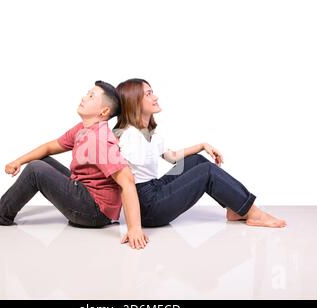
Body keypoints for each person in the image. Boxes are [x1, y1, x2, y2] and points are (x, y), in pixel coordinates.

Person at [0, 80, 149, 250]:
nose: (84, 97)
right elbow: (50, 147)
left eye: (91, 96)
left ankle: (1, 215)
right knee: (42, 160)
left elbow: (127, 180)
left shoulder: (99, 139)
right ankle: (2, 208)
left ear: (104, 111)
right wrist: (18, 161)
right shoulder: (83, 128)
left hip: (96, 212)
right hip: (85, 192)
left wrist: (134, 229)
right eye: (87, 93)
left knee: (36, 169)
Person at [113, 78, 286, 228]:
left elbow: (172, 157)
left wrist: (202, 145)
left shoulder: (147, 133)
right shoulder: (128, 136)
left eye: (153, 92)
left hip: (154, 188)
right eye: (148, 94)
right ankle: (252, 211)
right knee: (207, 172)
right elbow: (124, 181)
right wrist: (133, 226)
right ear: (134, 101)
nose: (155, 97)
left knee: (196, 161)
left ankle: (234, 209)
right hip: (146, 206)